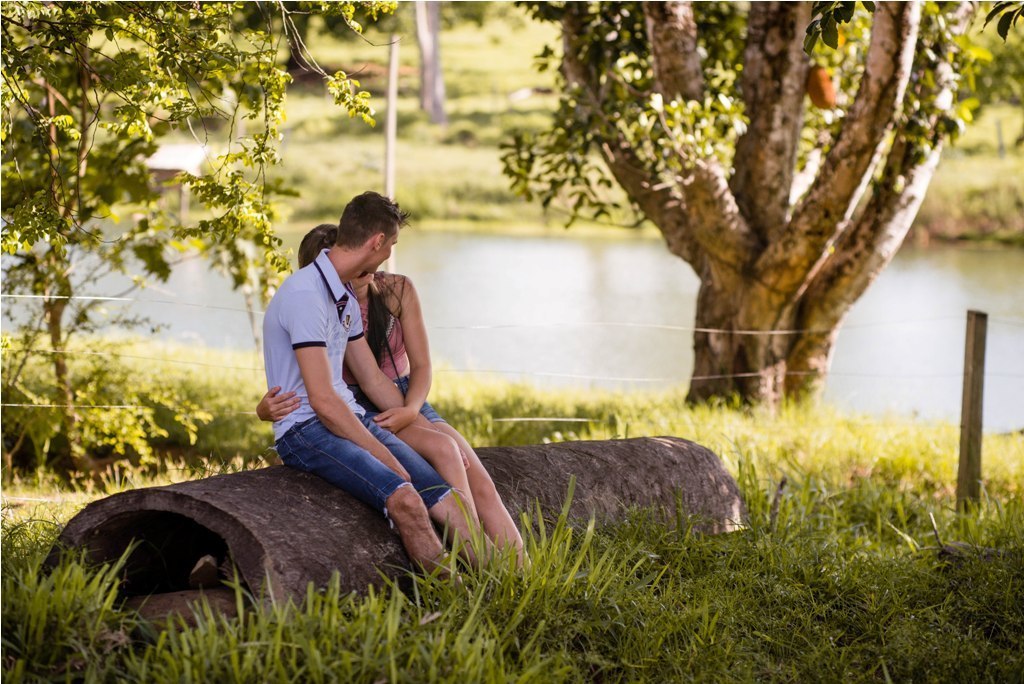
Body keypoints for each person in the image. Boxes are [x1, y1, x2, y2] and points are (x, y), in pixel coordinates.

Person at [260, 222, 525, 564]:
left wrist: (414, 414)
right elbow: (303, 385)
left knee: (462, 461)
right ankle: (472, 562)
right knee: (432, 464)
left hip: (396, 397)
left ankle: (515, 570)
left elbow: (382, 376)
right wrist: (264, 409)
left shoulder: (384, 292)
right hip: (355, 408)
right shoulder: (310, 301)